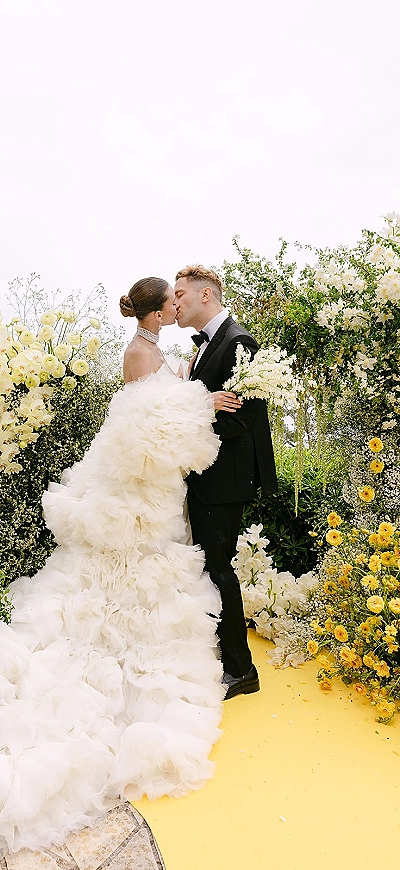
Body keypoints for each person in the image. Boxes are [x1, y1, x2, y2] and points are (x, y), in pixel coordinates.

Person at [0, 277, 231, 857]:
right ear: (158, 310)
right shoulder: (139, 353)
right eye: (173, 302)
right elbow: (139, 431)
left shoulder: (157, 351)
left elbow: (161, 411)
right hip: (135, 487)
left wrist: (192, 397)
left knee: (146, 584)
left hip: (153, 496)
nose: (179, 307)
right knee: (114, 584)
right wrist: (201, 403)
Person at [174, 265, 278, 699]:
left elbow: (246, 421)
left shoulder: (239, 342)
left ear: (205, 296)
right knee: (210, 569)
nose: (174, 303)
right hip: (204, 479)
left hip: (223, 481)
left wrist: (198, 411)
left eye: (180, 294)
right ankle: (225, 656)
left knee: (220, 570)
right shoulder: (202, 349)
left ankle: (241, 670)